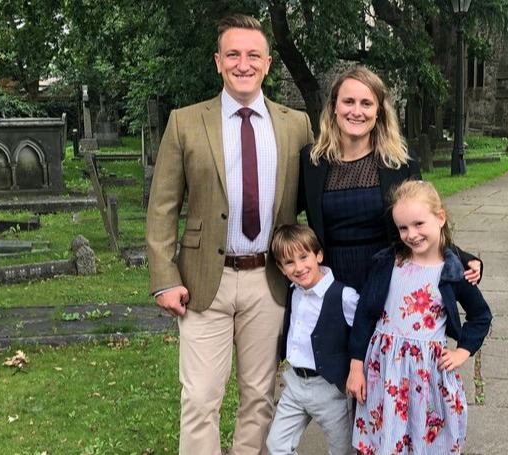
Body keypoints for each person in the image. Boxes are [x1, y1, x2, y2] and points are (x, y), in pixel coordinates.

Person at [145, 14, 314, 455]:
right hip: (203, 280)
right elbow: (162, 207)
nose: (244, 64)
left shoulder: (296, 124)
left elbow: (313, 202)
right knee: (200, 399)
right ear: (218, 62)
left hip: (269, 280)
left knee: (260, 397)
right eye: (233, 54)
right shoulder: (185, 122)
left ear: (268, 63)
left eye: (253, 55)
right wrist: (164, 277)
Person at [299, 66, 482, 294]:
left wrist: (461, 257)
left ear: (378, 112)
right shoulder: (311, 162)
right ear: (334, 107)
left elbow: (424, 220)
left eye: (366, 103)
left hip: (388, 280)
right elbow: (285, 213)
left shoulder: (400, 163)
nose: (357, 111)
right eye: (349, 102)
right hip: (330, 283)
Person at [346, 180, 493, 454]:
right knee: (386, 439)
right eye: (403, 228)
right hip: (385, 373)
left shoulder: (453, 272)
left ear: (440, 218)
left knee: (423, 439)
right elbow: (365, 314)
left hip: (427, 375)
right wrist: (356, 368)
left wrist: (462, 352)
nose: (411, 234)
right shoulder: (388, 264)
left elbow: (480, 315)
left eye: (418, 224)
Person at [265, 224, 359, 455]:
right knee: (276, 445)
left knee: (342, 451)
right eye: (289, 262)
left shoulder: (344, 296)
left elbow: (364, 332)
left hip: (331, 389)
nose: (299, 267)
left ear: (318, 255)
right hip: (295, 385)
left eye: (304, 257)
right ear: (281, 268)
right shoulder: (293, 291)